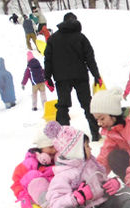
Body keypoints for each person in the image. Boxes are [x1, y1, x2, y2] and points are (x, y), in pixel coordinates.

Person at [44, 12, 102, 142]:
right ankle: (95, 133)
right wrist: (96, 74)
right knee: (87, 104)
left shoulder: (53, 39)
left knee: (63, 106)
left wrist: (47, 77)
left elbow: (48, 59)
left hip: (61, 77)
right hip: (80, 75)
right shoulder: (80, 37)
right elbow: (90, 58)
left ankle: (64, 136)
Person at [11, 127, 57, 208]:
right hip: (40, 196)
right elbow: (17, 182)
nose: (54, 150)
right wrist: (23, 196)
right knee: (34, 178)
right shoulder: (30, 163)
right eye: (50, 147)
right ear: (40, 148)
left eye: (56, 146)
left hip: (59, 192)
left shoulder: (59, 159)